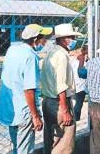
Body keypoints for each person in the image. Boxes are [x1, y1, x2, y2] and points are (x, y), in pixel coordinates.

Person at [0, 24, 52, 154]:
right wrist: (35, 116)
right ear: (35, 39)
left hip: (10, 109)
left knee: (17, 147)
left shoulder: (12, 50)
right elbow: (29, 90)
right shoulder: (30, 57)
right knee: (25, 150)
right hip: (24, 111)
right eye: (43, 38)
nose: (45, 41)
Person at [41, 23, 82, 154]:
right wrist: (65, 110)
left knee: (51, 140)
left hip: (48, 100)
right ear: (64, 39)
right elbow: (61, 85)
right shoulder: (62, 56)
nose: (73, 41)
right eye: (71, 37)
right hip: (59, 102)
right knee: (65, 143)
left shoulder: (51, 53)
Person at [70, 45, 88, 121]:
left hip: (75, 85)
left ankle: (74, 117)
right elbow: (82, 74)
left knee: (77, 102)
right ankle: (75, 118)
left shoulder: (74, 62)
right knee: (78, 104)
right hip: (81, 86)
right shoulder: (83, 63)